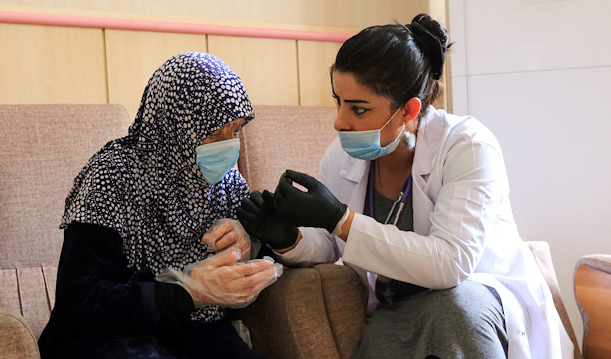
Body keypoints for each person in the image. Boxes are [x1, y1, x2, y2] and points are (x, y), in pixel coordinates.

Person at [237, 14, 574, 359]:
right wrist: (287, 237)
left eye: (358, 108)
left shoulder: (467, 146)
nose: (339, 121)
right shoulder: (342, 156)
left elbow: (450, 265)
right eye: (338, 101)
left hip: (475, 302)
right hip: (396, 310)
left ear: (407, 111)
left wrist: (341, 219)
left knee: (454, 309)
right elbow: (330, 244)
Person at [38, 52, 282, 359]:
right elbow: (79, 301)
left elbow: (266, 256)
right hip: (109, 335)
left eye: (235, 131)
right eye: (214, 133)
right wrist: (188, 291)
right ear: (176, 126)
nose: (230, 146)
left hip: (196, 333)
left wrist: (251, 244)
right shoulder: (112, 177)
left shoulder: (226, 181)